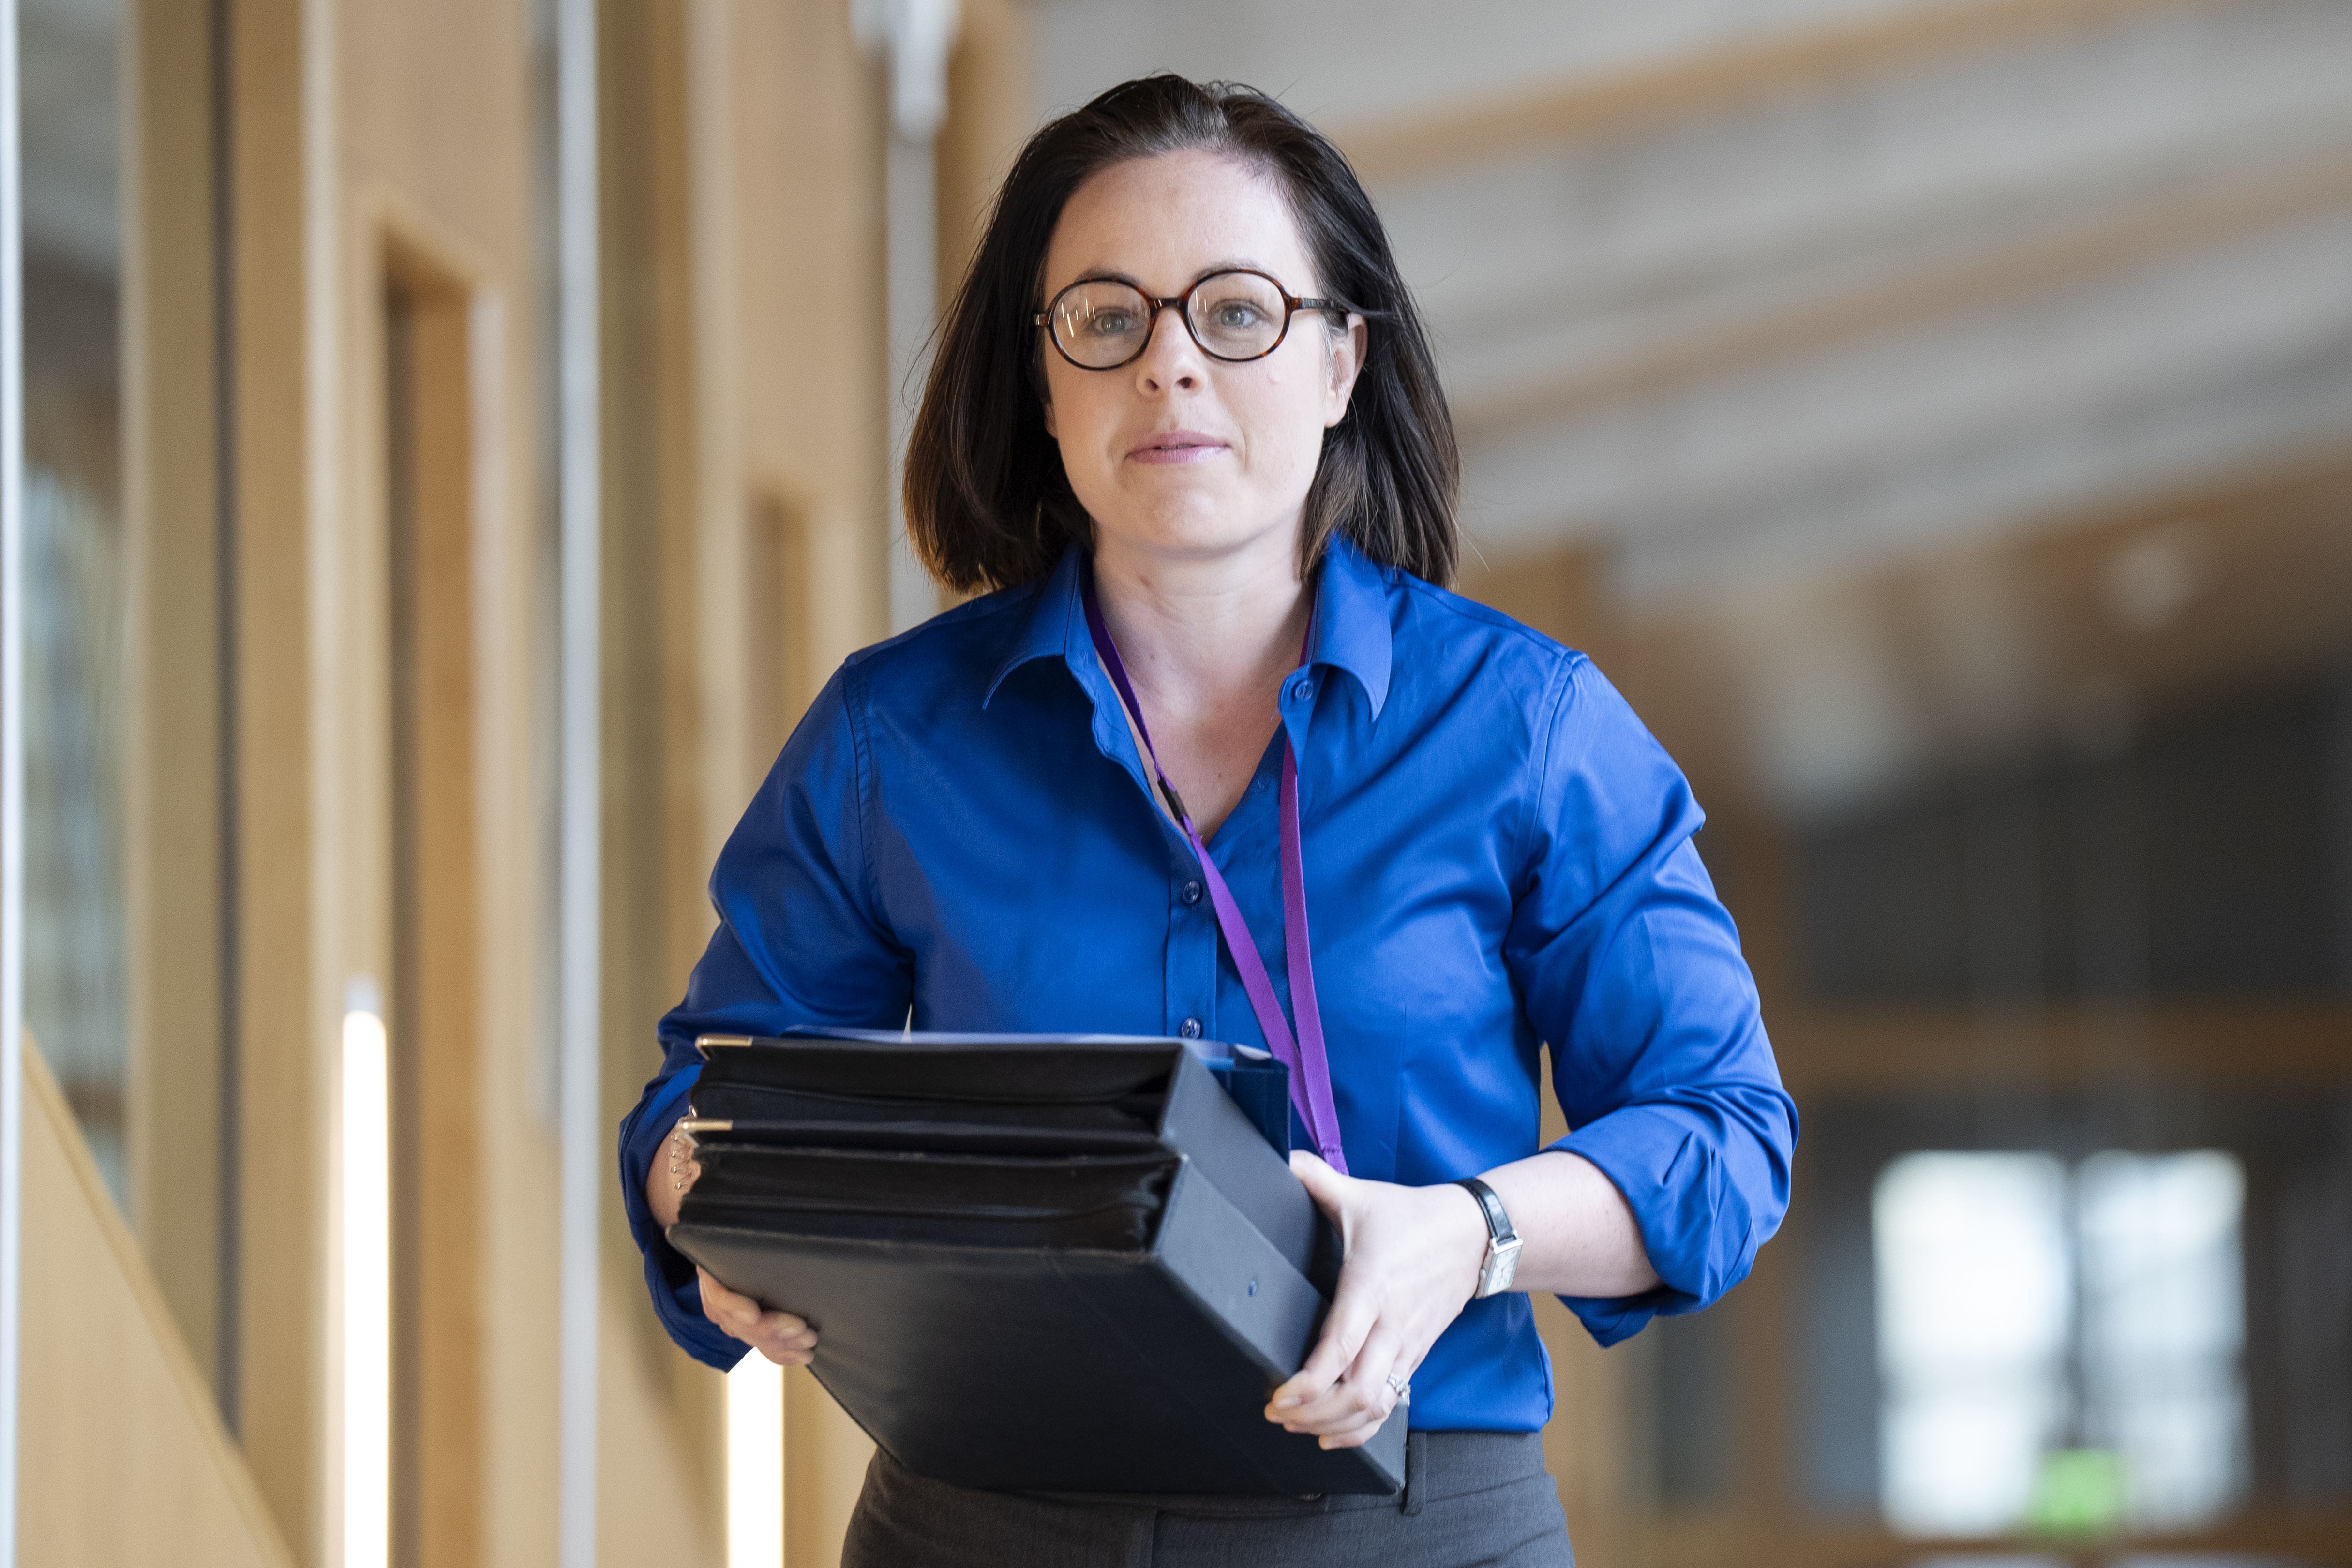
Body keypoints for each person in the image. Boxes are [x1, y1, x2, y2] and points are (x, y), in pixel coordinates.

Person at [619, 73, 1795, 1568]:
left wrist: (1473, 1233)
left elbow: (1723, 1139)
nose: (1170, 367)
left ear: (1340, 362)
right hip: (978, 1527)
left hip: (1412, 1524)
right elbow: (707, 1099)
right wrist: (714, 1208)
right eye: (1107, 320)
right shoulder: (892, 738)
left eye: (1236, 313)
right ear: (1044, 385)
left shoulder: (1528, 727)